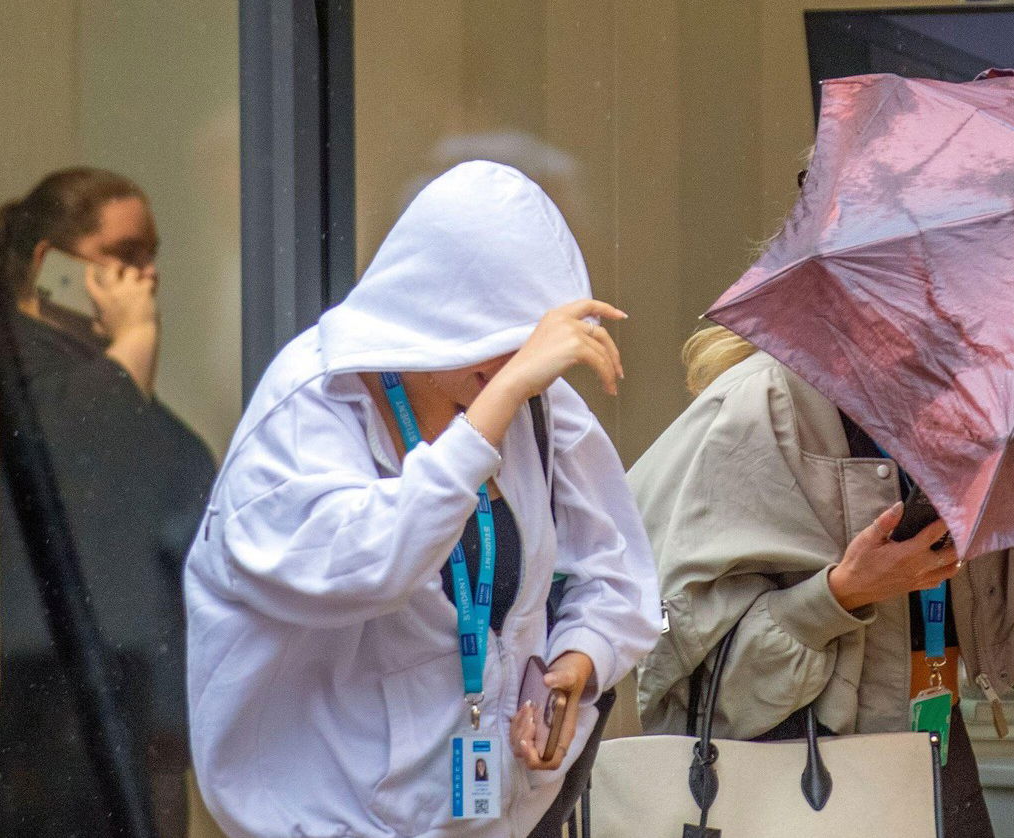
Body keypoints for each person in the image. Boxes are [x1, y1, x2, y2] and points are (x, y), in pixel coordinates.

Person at [185, 161, 660, 837]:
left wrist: (575, 663)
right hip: (330, 821)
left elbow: (615, 572)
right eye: (493, 346)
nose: (509, 370)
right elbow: (367, 567)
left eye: (523, 351)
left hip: (499, 818)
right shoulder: (312, 401)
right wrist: (490, 413)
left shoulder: (531, 405)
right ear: (436, 307)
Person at [630, 327, 1014, 837]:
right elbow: (682, 678)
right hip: (792, 786)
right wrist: (843, 593)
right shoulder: (761, 401)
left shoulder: (982, 404)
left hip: (935, 762)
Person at [0, 167, 215, 835]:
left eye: (152, 257)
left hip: (103, 703)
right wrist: (135, 342)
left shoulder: (74, 371)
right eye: (124, 257)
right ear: (52, 265)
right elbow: (89, 474)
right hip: (26, 713)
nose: (148, 278)